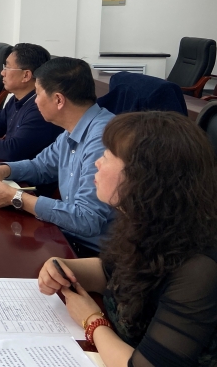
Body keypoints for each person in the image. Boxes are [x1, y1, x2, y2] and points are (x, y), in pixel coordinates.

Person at [38, 112, 217, 366]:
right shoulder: (149, 222)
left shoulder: (199, 269)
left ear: (145, 178)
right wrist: (62, 267)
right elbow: (112, 271)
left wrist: (92, 320)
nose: (97, 163)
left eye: (107, 155)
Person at [0, 57, 114, 255]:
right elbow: (41, 166)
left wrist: (16, 197)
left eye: (38, 93)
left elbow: (87, 220)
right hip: (67, 236)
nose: (35, 101)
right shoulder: (74, 128)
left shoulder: (102, 139)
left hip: (95, 255)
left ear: (58, 100)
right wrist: (5, 169)